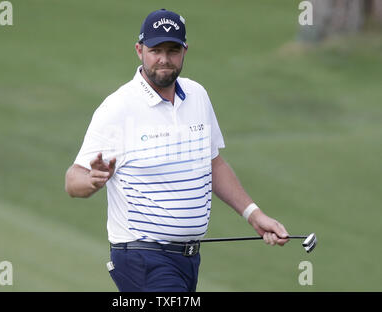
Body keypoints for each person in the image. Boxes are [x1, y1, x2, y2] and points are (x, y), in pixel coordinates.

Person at [65, 8, 290, 292]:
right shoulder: (118, 107)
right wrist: (92, 180)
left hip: (187, 260)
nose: (164, 59)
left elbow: (213, 164)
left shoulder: (197, 96)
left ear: (185, 51)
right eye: (155, 49)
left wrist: (255, 216)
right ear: (139, 50)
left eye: (172, 50)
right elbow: (73, 181)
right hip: (141, 257)